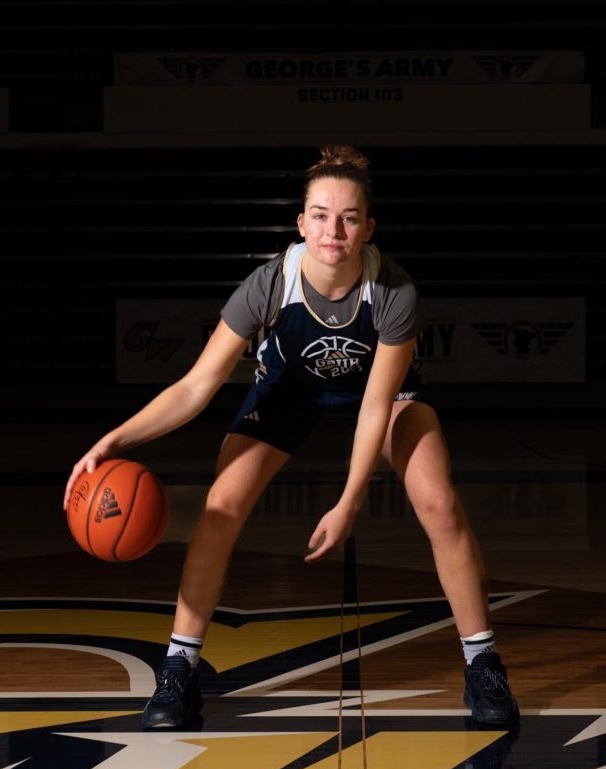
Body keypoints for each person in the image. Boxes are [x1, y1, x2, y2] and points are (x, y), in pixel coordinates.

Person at [63, 145, 516, 728]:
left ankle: (482, 664)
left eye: (349, 217)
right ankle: (179, 669)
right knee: (220, 507)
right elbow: (197, 386)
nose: (335, 229)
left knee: (439, 503)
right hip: (289, 390)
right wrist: (113, 441)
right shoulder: (268, 284)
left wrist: (350, 501)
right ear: (301, 223)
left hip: (377, 393)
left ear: (368, 228)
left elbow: (375, 407)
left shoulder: (394, 291)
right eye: (322, 215)